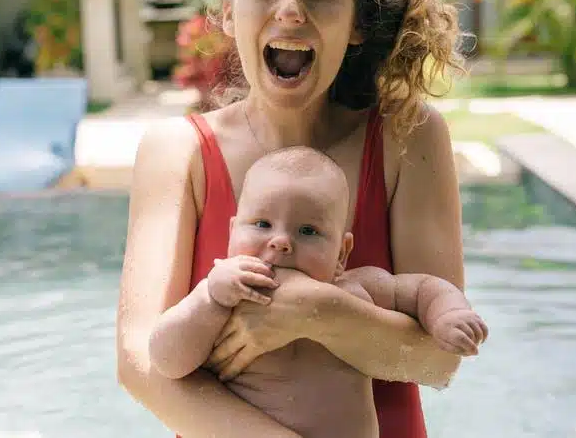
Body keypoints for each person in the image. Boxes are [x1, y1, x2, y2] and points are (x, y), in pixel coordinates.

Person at [117, 0, 469, 438]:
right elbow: (140, 362)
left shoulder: (406, 137)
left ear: (356, 23)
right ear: (229, 15)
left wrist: (314, 310)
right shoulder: (178, 152)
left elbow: (437, 362)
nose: (289, 10)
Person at [148, 146, 488, 438]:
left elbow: (425, 289)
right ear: (232, 232)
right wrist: (209, 296)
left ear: (341, 253)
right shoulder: (224, 300)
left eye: (308, 231)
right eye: (262, 224)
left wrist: (448, 314)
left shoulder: (358, 289)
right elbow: (166, 360)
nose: (280, 241)